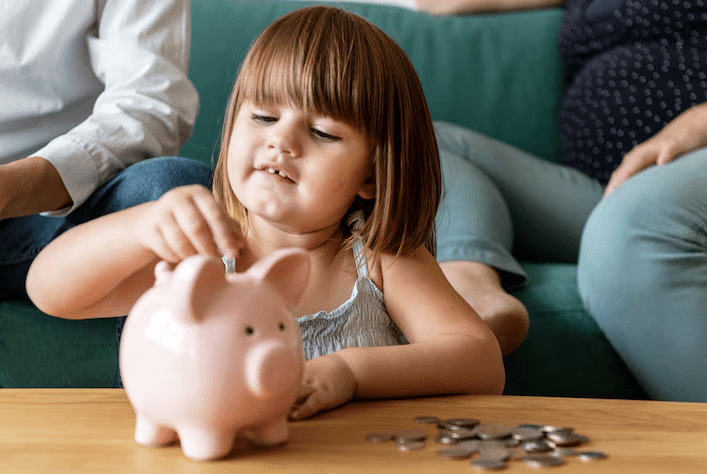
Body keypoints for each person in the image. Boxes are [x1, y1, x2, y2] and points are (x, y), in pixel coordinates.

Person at [26, 6, 505, 419]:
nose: (282, 141)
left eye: (322, 133)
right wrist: (141, 227)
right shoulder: (201, 254)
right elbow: (50, 291)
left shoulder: (378, 259)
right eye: (264, 117)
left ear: (372, 177)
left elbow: (481, 362)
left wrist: (350, 372)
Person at [416, 0, 707, 402]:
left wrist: (706, 120)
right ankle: (472, 288)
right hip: (613, 188)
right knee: (422, 144)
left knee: (635, 230)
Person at [0, 0, 211, 302]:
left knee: (172, 191)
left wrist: (12, 188)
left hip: (45, 207)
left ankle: (160, 346)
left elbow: (148, 102)